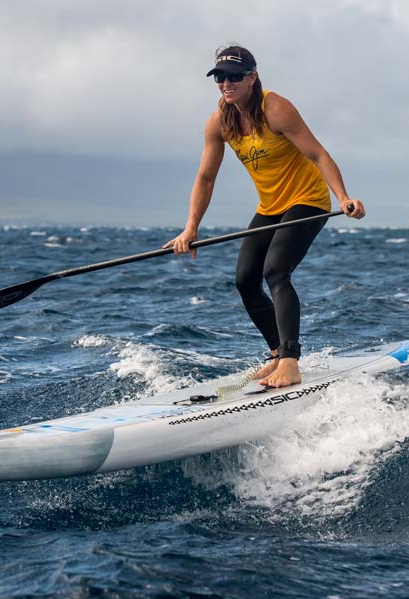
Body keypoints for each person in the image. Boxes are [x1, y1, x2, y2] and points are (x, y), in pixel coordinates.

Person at [164, 45, 365, 388]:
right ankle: (276, 353)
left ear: (252, 76)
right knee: (245, 280)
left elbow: (318, 153)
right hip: (270, 207)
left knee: (275, 270)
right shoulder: (220, 121)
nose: (227, 84)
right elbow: (205, 178)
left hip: (307, 201)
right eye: (221, 78)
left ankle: (290, 360)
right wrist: (191, 228)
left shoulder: (275, 107)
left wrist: (343, 197)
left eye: (235, 77)